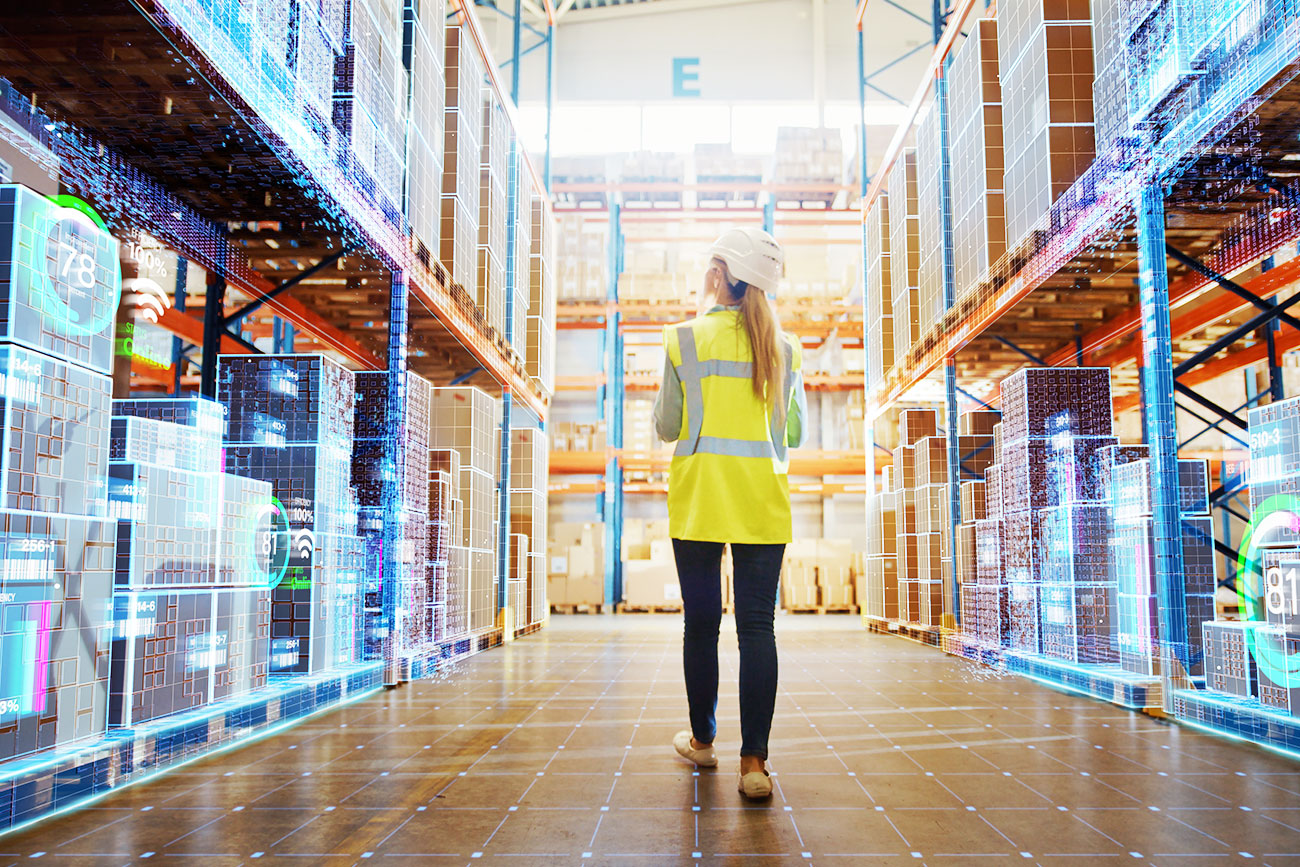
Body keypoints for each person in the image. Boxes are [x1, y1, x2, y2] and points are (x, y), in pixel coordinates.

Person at [653, 226, 807, 800]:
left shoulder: (683, 340)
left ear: (721, 275)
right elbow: (794, 432)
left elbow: (668, 426)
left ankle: (702, 741)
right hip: (762, 507)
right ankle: (754, 766)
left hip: (698, 504)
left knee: (701, 626)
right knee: (757, 630)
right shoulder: (785, 350)